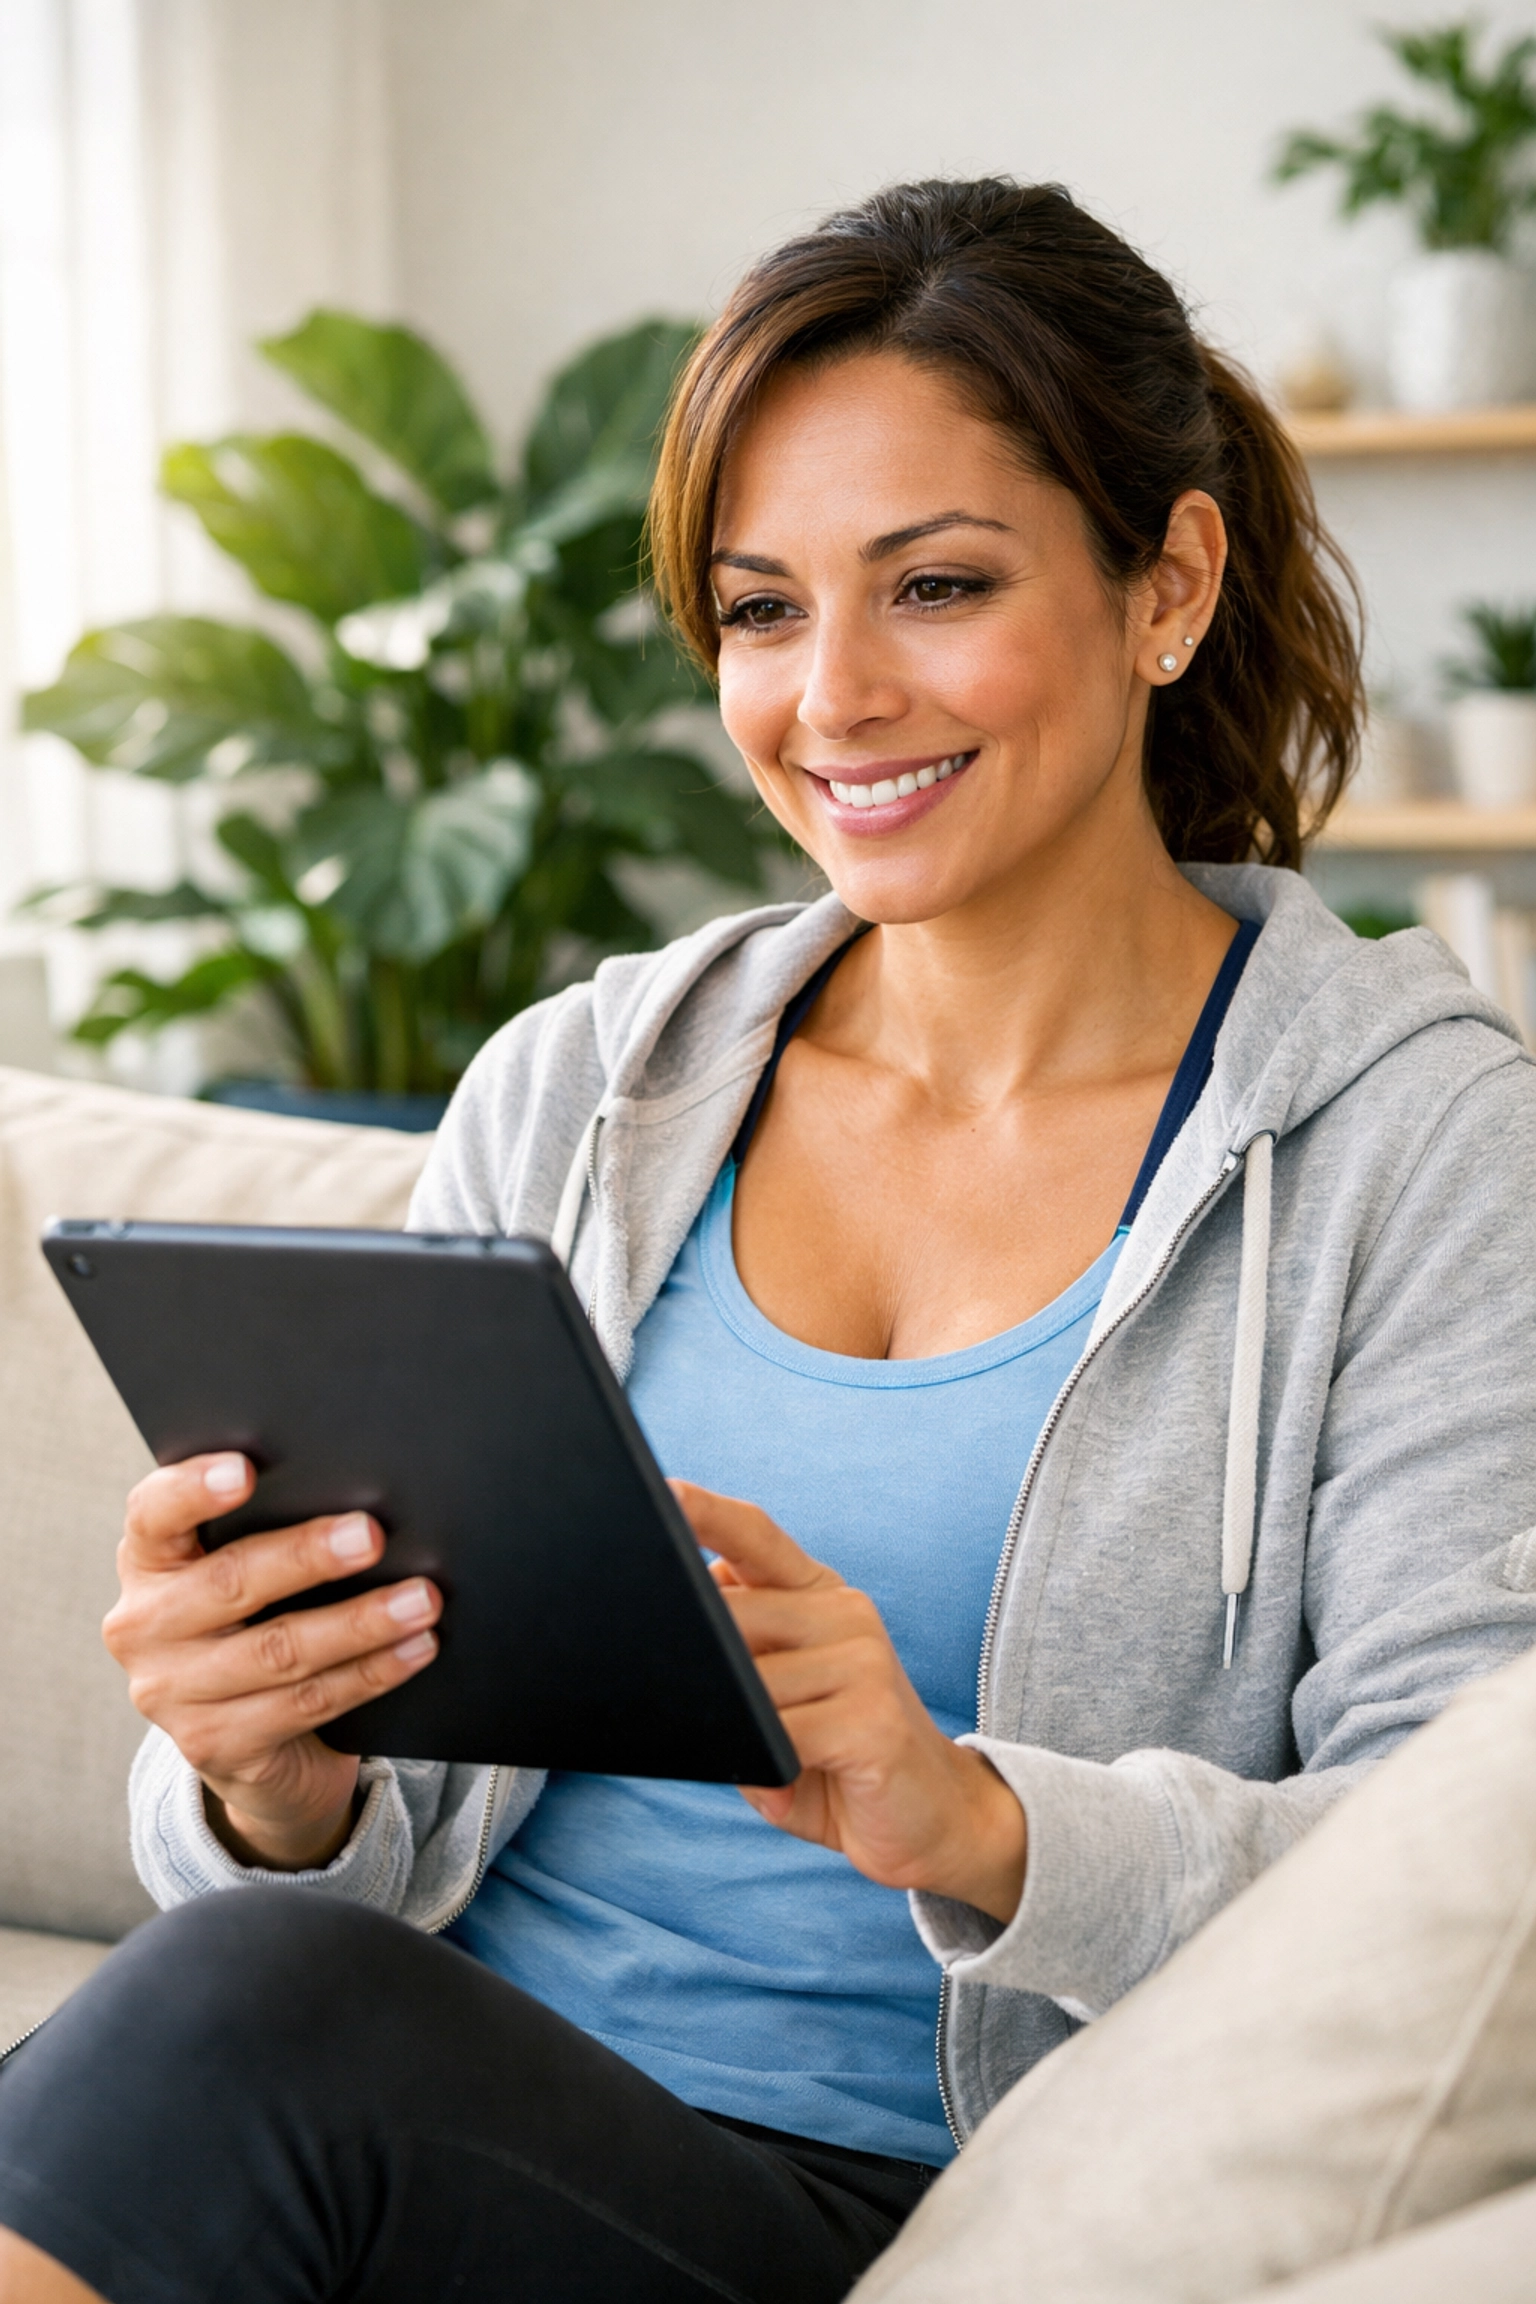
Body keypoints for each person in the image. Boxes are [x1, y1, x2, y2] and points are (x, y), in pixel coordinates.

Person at [3, 177, 1534, 2304]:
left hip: (880, 2210)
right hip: (421, 2124)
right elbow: (338, 1880)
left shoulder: (1418, 1150)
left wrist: (980, 1819)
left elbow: (1465, 1870)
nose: (835, 696)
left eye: (937, 586)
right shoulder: (578, 1090)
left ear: (1168, 584)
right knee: (229, 2013)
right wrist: (270, 1774)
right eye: (760, 611)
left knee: (242, 2024)